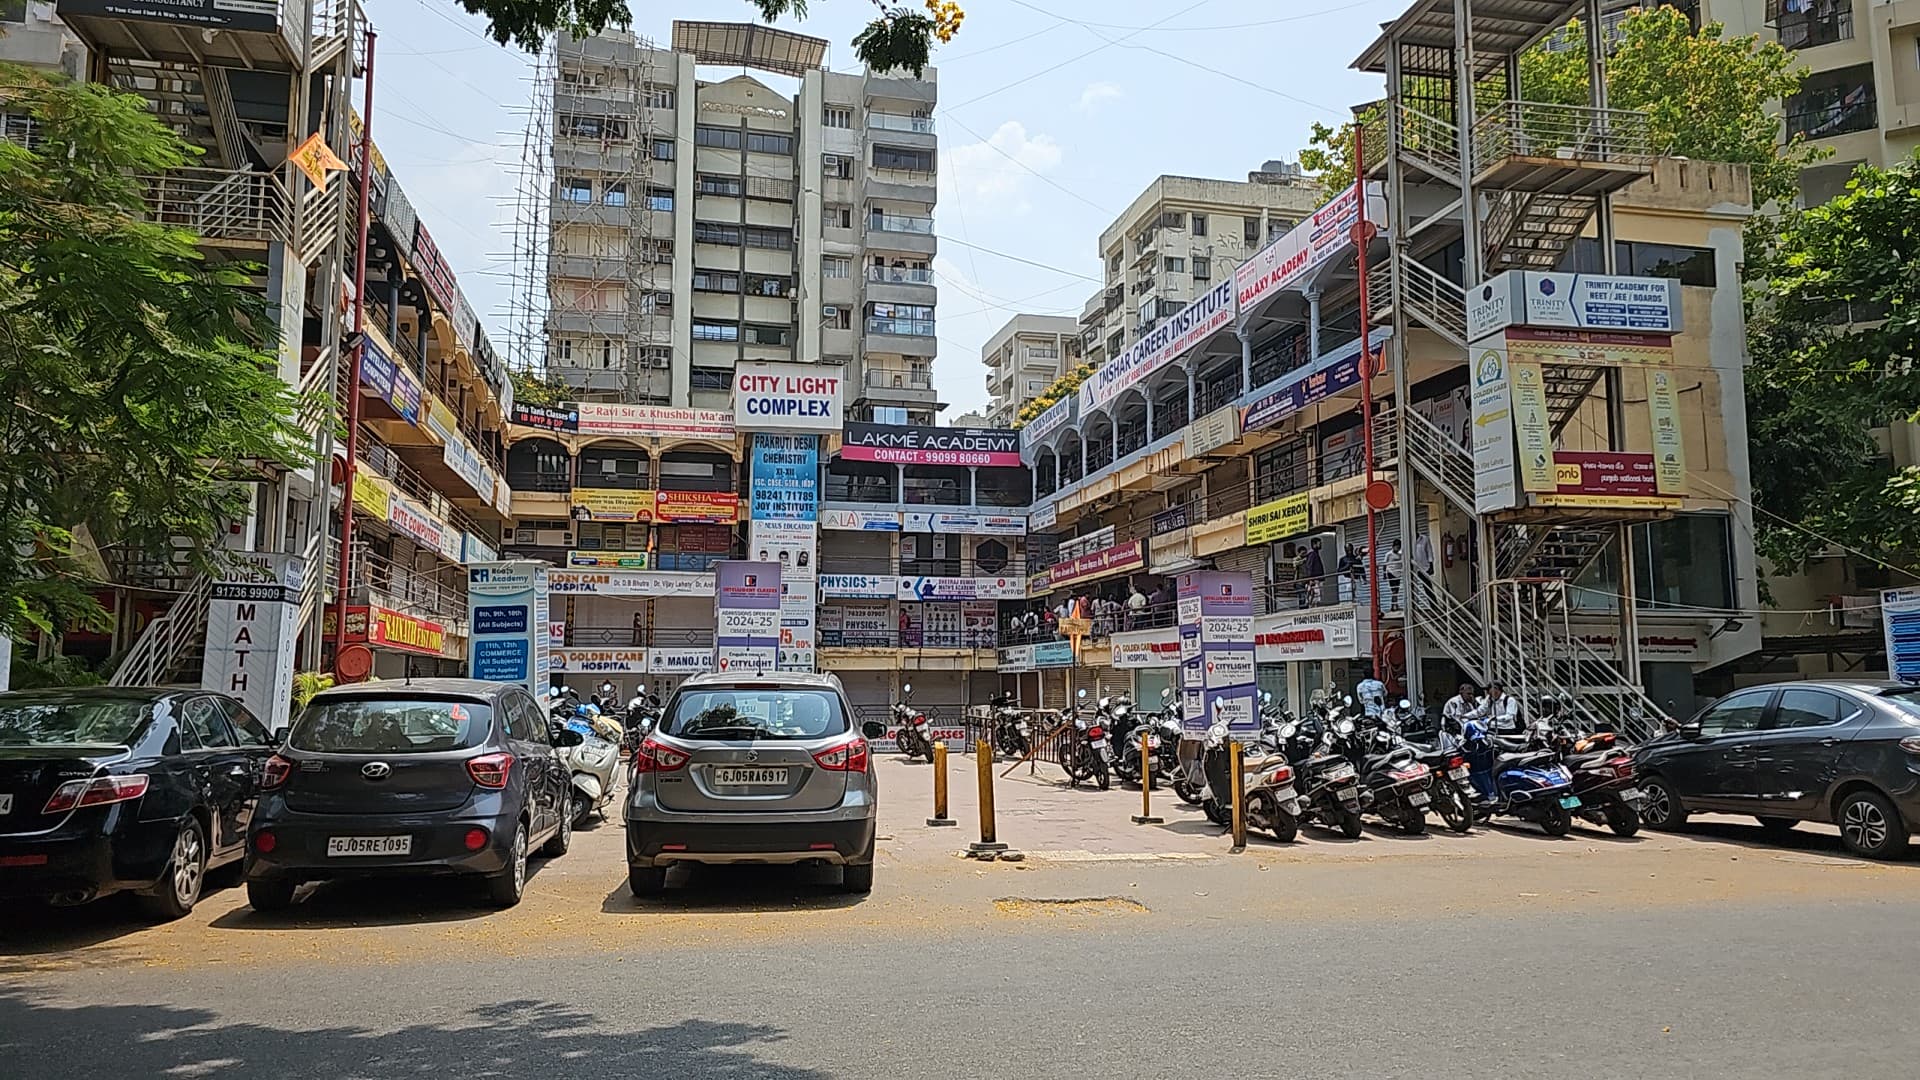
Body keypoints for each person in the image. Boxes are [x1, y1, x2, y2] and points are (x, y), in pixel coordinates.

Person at [1302, 538, 1325, 607]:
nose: (1320, 544)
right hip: (1314, 580)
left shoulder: (1315, 554)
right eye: (1319, 543)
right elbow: (1309, 567)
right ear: (1314, 544)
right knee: (1314, 597)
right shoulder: (1312, 554)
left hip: (1316, 579)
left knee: (1317, 597)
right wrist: (1310, 579)